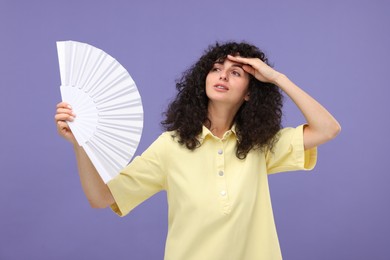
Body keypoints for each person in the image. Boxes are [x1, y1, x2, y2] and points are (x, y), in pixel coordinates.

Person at [55, 42, 341, 260]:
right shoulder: (171, 146)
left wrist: (277, 77)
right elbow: (101, 197)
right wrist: (80, 142)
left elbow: (328, 128)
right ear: (203, 80)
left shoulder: (259, 145)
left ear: (250, 92)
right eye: (216, 69)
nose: (222, 76)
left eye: (236, 72)